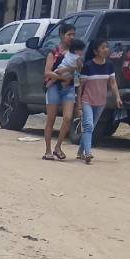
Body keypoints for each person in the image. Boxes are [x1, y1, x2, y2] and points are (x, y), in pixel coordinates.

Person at [77, 38, 121, 163]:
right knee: (89, 125)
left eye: (107, 47)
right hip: (87, 100)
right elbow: (80, 86)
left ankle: (80, 151)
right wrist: (79, 105)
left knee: (90, 127)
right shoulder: (88, 66)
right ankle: (88, 153)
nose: (106, 50)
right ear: (96, 51)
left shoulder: (109, 65)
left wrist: (117, 97)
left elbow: (112, 83)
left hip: (101, 102)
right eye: (103, 47)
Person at [43, 22, 78, 161]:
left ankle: (58, 146)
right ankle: (47, 150)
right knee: (50, 119)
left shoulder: (74, 53)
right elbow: (47, 73)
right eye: (69, 34)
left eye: (73, 35)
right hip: (54, 88)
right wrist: (62, 78)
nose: (72, 37)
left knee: (68, 118)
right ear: (61, 35)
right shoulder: (54, 53)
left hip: (69, 87)